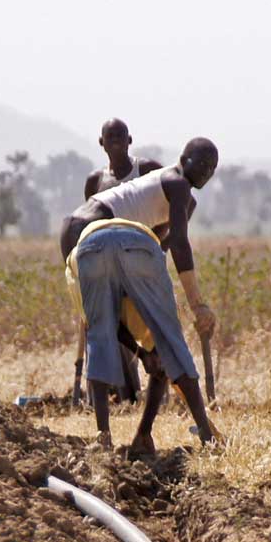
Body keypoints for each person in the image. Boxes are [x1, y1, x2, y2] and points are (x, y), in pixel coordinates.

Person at [62, 137, 223, 453]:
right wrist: (197, 305)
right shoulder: (176, 182)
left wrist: (141, 349)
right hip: (105, 236)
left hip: (86, 243)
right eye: (202, 163)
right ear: (183, 159)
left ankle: (106, 437)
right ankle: (206, 433)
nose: (207, 172)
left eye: (212, 167)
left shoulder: (175, 198)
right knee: (167, 337)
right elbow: (176, 243)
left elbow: (159, 245)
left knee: (101, 332)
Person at [68, 120, 161, 402]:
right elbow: (89, 223)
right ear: (102, 143)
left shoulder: (146, 171)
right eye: (111, 136)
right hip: (107, 265)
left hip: (141, 261)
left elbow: (169, 209)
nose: (117, 141)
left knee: (152, 322)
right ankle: (125, 392)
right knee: (112, 324)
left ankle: (161, 385)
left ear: (130, 140)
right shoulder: (96, 181)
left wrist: (156, 247)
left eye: (121, 135)